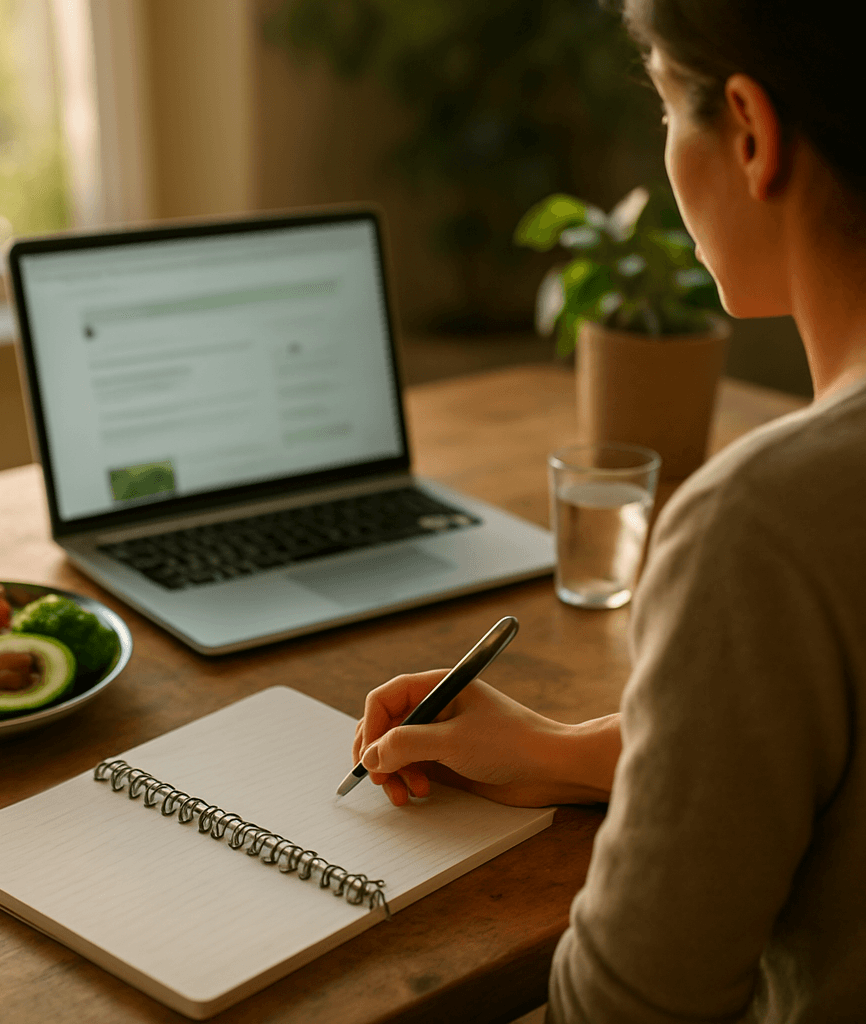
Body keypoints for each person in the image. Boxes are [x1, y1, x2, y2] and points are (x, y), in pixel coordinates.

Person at [351, 2, 866, 1020]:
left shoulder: (764, 522)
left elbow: (628, 1011)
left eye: (667, 105)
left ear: (752, 135)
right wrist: (560, 750)